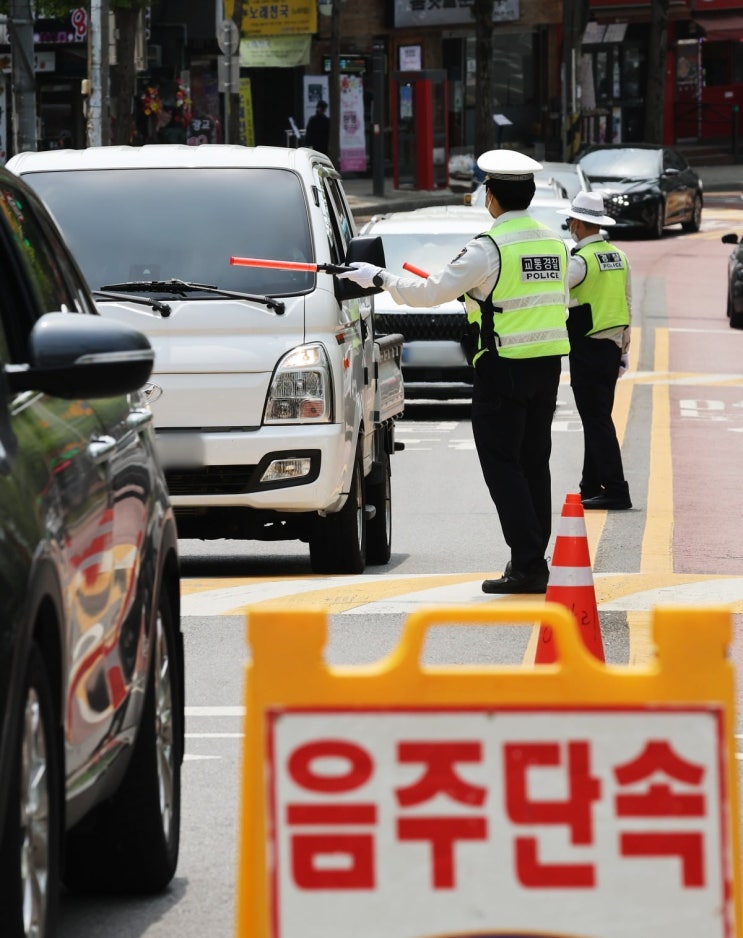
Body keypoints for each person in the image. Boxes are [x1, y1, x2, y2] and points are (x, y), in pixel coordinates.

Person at [339, 149, 570, 594]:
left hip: (503, 369)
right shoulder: (553, 243)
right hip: (547, 367)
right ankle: (534, 557)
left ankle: (527, 564)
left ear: (491, 196)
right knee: (533, 461)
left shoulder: (489, 247)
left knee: (503, 466)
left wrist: (380, 278)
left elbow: (429, 293)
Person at [558, 191, 632, 510]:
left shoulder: (580, 261)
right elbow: (627, 301)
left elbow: (556, 292)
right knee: (597, 418)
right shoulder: (618, 255)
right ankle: (590, 484)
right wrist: (624, 347)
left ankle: (616, 488)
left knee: (596, 419)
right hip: (612, 345)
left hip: (588, 346)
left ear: (577, 222)